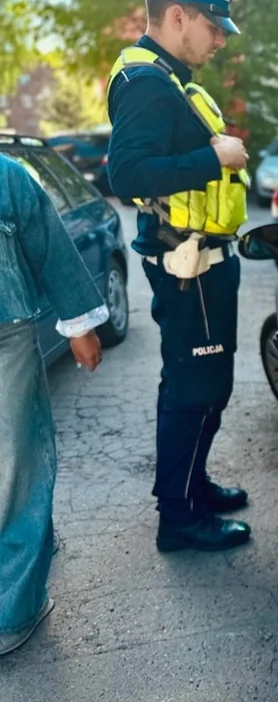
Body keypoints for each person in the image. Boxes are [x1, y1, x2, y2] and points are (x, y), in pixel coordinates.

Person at [106, 0, 253, 553]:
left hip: (198, 263)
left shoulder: (165, 76)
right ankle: (180, 518)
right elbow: (127, 174)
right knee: (196, 388)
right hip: (188, 268)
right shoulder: (146, 83)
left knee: (202, 385)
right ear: (177, 17)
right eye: (214, 28)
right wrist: (216, 158)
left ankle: (192, 489)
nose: (220, 41)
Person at [0, 155, 107, 656]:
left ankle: (12, 608)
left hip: (6, 336)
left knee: (16, 464)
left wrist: (80, 326)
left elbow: (49, 247)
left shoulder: (7, 176)